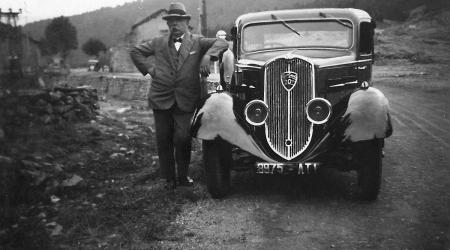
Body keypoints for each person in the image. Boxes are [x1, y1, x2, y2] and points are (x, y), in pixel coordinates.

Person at [130, 2, 228, 189]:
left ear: (186, 22)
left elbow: (222, 42)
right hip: (161, 97)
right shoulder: (158, 43)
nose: (174, 25)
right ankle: (168, 179)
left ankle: (183, 176)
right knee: (163, 139)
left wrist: (208, 56)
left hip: (186, 99)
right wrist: (150, 70)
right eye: (170, 22)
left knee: (183, 138)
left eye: (177, 21)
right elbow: (135, 52)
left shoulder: (198, 41)